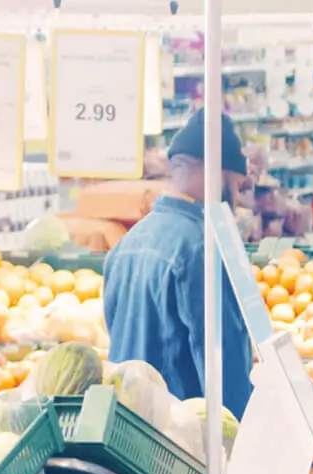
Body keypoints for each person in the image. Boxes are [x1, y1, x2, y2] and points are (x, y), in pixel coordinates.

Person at [102, 110, 256, 418]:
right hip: (180, 437)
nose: (237, 198)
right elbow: (223, 366)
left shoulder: (125, 243)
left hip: (127, 426)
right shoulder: (201, 247)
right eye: (237, 185)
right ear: (217, 171)